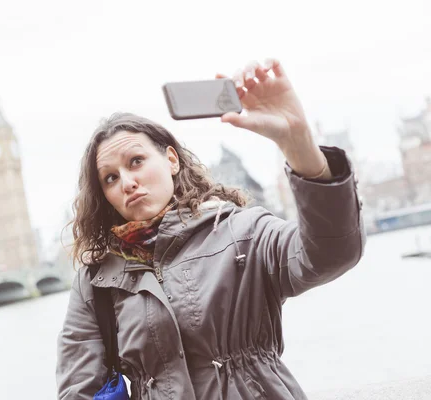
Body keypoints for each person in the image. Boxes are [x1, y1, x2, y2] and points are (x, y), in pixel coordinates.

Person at [56, 58, 366, 400]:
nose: (127, 182)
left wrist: (298, 144)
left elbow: (331, 252)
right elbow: (79, 390)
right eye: (111, 178)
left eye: (136, 161)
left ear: (171, 160)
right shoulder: (97, 280)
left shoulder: (240, 232)